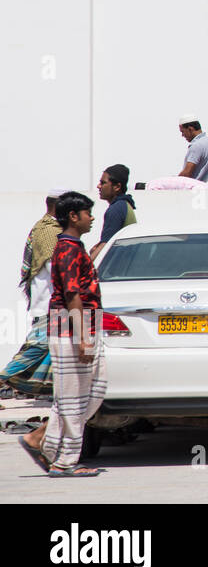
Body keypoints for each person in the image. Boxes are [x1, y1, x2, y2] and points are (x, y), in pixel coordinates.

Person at [21, 192, 107, 477]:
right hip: (72, 327)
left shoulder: (74, 246)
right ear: (73, 216)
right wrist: (82, 336)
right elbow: (71, 294)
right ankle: (65, 461)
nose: (91, 218)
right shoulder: (68, 249)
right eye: (87, 213)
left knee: (91, 393)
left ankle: (44, 441)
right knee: (73, 398)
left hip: (83, 324)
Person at [1, 189, 65, 400]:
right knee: (35, 349)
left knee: (53, 353)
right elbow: (54, 268)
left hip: (51, 302)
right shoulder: (49, 232)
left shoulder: (48, 228)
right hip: (49, 303)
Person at [89, 164, 136, 262]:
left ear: (117, 187)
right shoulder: (124, 204)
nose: (99, 186)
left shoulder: (116, 208)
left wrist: (84, 267)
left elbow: (106, 245)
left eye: (103, 183)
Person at [177, 114, 208, 182]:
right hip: (201, 187)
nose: (182, 135)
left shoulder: (196, 145)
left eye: (183, 131)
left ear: (190, 129)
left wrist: (174, 182)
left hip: (192, 189)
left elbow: (187, 173)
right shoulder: (207, 142)